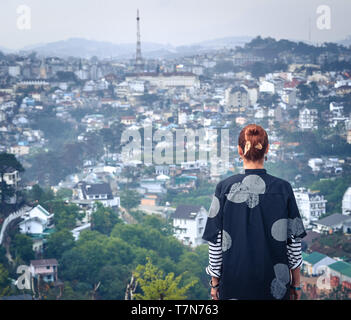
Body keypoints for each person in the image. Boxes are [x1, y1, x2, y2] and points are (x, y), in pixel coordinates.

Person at [202, 124, 306, 300]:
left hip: (234, 283)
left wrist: (215, 284)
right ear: (267, 149)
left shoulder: (224, 188)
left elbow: (216, 242)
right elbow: (293, 244)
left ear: (239, 151)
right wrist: (296, 284)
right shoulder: (283, 189)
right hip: (276, 286)